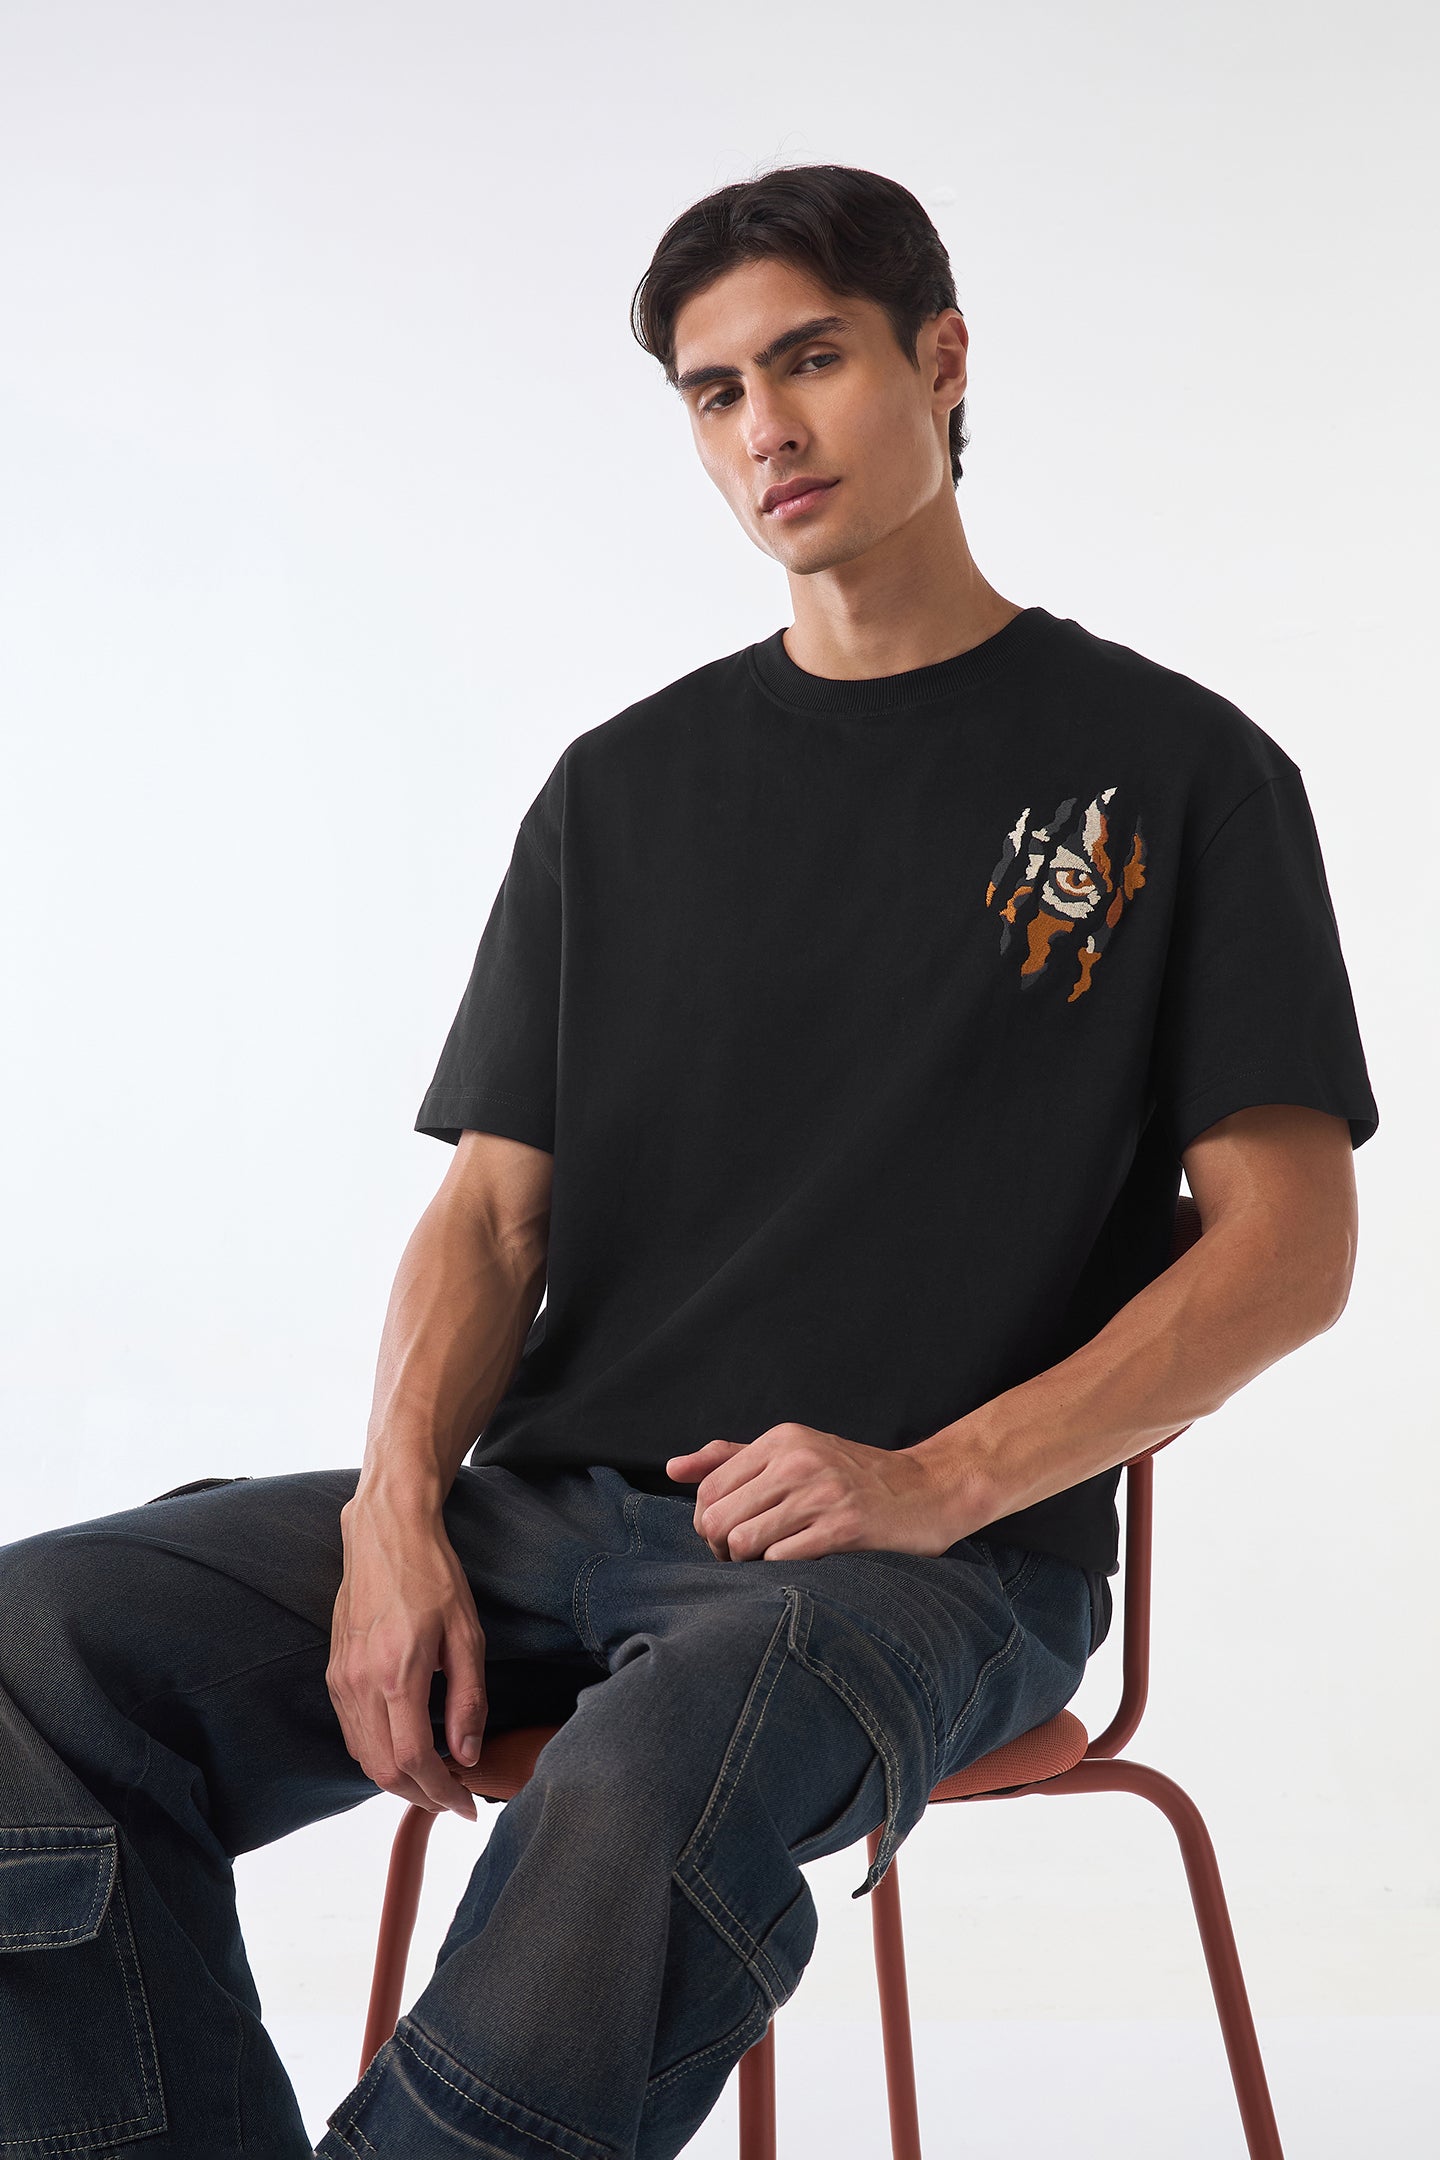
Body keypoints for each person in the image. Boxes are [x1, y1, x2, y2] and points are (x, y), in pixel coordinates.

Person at [0, 163, 1378, 2160]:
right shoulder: (619, 792)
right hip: (548, 1515)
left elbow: (1289, 1248)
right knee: (37, 1650)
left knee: (654, 1768)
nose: (763, 431)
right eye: (715, 392)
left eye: (808, 361)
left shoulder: (1178, 774)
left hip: (928, 1570)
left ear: (943, 358)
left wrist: (938, 1479)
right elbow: (492, 1217)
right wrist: (395, 1512)